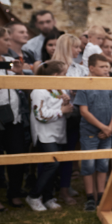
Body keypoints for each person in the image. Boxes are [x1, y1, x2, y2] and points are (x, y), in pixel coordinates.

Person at [26, 60, 73, 211]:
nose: (66, 77)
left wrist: (66, 105)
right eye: (64, 74)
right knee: (53, 164)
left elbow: (66, 111)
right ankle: (33, 196)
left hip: (58, 133)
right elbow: (40, 115)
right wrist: (62, 111)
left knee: (52, 166)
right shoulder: (39, 91)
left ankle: (48, 197)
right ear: (55, 75)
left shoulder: (59, 91)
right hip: (44, 134)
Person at [73, 54, 112, 211]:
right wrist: (102, 127)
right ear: (91, 68)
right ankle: (91, 197)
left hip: (107, 134)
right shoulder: (84, 86)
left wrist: (109, 127)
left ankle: (102, 195)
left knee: (103, 165)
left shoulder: (108, 84)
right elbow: (84, 111)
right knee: (88, 165)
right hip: (89, 133)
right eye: (102, 67)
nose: (107, 69)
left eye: (107, 67)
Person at [50, 33, 88, 206]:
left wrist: (79, 92)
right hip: (52, 117)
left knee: (68, 153)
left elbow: (89, 89)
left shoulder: (80, 69)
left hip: (73, 116)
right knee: (51, 154)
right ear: (67, 47)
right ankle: (49, 189)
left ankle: (64, 187)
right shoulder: (48, 67)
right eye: (76, 47)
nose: (79, 50)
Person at [0, 27, 29, 211]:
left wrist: (19, 73)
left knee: (17, 155)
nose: (9, 43)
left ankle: (15, 193)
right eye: (6, 40)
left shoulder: (9, 62)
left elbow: (24, 86)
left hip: (14, 117)